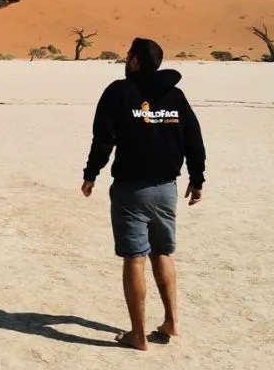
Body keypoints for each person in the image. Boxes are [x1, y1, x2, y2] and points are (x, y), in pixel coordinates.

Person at [80, 37, 206, 351]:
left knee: (134, 259)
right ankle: (172, 321)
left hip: (131, 190)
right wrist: (198, 178)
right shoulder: (175, 96)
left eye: (128, 56)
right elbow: (194, 139)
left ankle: (138, 335)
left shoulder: (118, 92)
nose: (126, 60)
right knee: (162, 252)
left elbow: (103, 139)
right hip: (167, 189)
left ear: (135, 61)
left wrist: (91, 174)